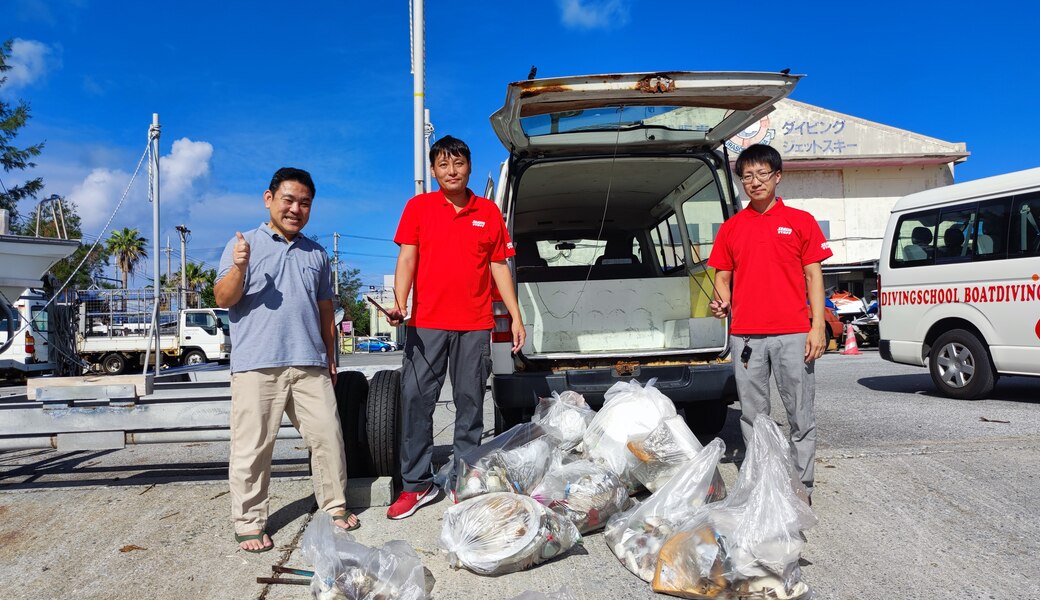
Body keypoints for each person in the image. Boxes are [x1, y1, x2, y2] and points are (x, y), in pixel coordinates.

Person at [215, 167, 359, 553]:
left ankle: (334, 505)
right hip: (256, 364)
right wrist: (240, 267)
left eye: (305, 202)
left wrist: (331, 355)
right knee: (253, 448)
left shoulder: (317, 253)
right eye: (289, 199)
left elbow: (326, 307)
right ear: (269, 198)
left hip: (310, 363)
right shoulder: (242, 246)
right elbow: (223, 299)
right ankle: (248, 522)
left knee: (329, 437)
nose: (296, 208)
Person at [385, 136, 526, 519]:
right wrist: (400, 303)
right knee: (416, 402)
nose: (452, 171)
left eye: (458, 163)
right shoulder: (418, 207)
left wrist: (515, 315)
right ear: (433, 170)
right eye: (443, 165)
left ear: (469, 167)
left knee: (470, 405)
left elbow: (499, 267)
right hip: (426, 323)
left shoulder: (488, 213)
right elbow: (407, 258)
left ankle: (465, 480)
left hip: (474, 324)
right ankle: (415, 485)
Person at [707, 144, 832, 501]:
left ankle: (800, 488)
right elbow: (722, 276)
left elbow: (813, 274)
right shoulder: (731, 228)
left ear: (777, 176)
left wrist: (818, 325)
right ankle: (763, 484)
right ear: (741, 182)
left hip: (794, 333)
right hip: (747, 336)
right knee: (753, 417)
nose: (755, 182)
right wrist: (722, 302)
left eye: (763, 174)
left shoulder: (800, 221)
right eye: (747, 176)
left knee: (800, 414)